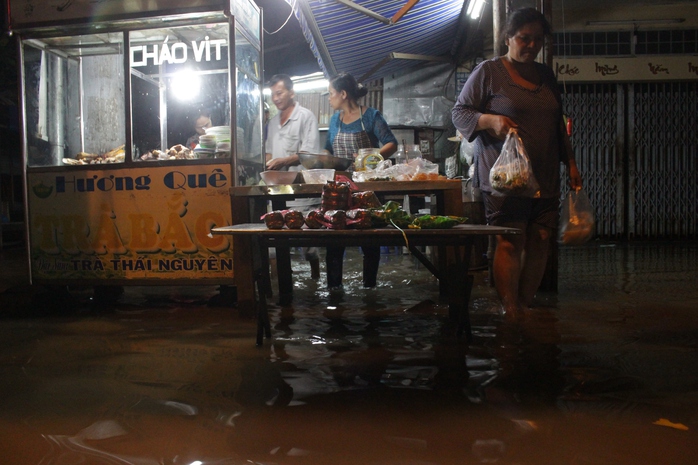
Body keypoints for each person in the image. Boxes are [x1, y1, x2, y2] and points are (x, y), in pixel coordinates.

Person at [452, 7, 582, 319]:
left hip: (546, 174)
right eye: (524, 39)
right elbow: (460, 112)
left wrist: (572, 162)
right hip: (506, 177)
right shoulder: (488, 71)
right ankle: (509, 308)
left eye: (537, 40)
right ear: (508, 38)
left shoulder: (546, 76)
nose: (531, 46)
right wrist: (489, 120)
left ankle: (525, 303)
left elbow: (557, 123)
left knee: (540, 238)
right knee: (509, 239)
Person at [323, 72, 398, 291]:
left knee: (369, 240)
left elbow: (390, 144)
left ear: (343, 94)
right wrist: (320, 158)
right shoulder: (335, 120)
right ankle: (333, 290)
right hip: (339, 188)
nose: (329, 98)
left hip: (367, 187)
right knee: (334, 240)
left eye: (331, 93)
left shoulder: (371, 116)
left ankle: (369, 289)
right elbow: (328, 148)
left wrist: (369, 158)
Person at [264, 74, 322, 279]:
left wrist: (282, 162)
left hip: (301, 190)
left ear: (291, 92)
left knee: (307, 244)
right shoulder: (272, 123)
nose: (276, 98)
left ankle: (316, 281)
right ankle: (280, 285)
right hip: (277, 189)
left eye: (279, 93)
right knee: (275, 242)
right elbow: (269, 152)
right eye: (273, 94)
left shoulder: (305, 117)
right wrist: (267, 164)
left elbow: (309, 155)